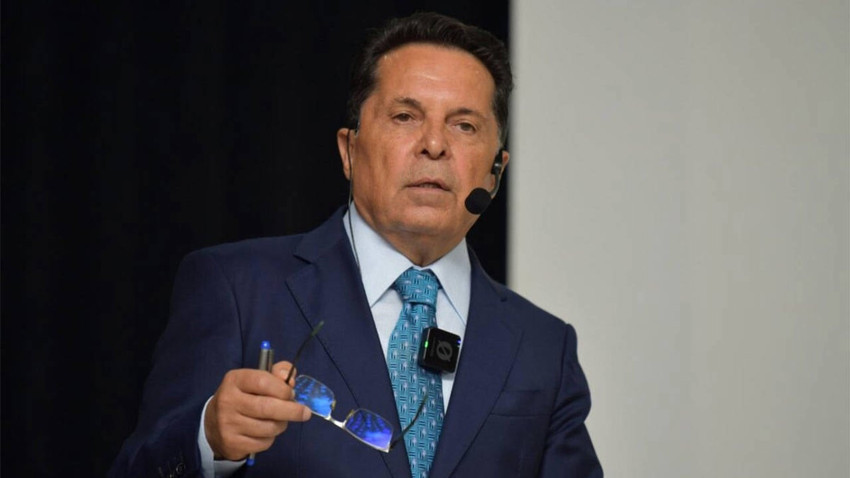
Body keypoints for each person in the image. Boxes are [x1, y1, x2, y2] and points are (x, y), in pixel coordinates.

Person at [110, 12, 602, 478]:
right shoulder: (238, 289)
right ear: (349, 150)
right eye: (405, 116)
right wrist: (209, 440)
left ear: (495, 172)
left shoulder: (543, 346)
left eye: (464, 125)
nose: (434, 145)